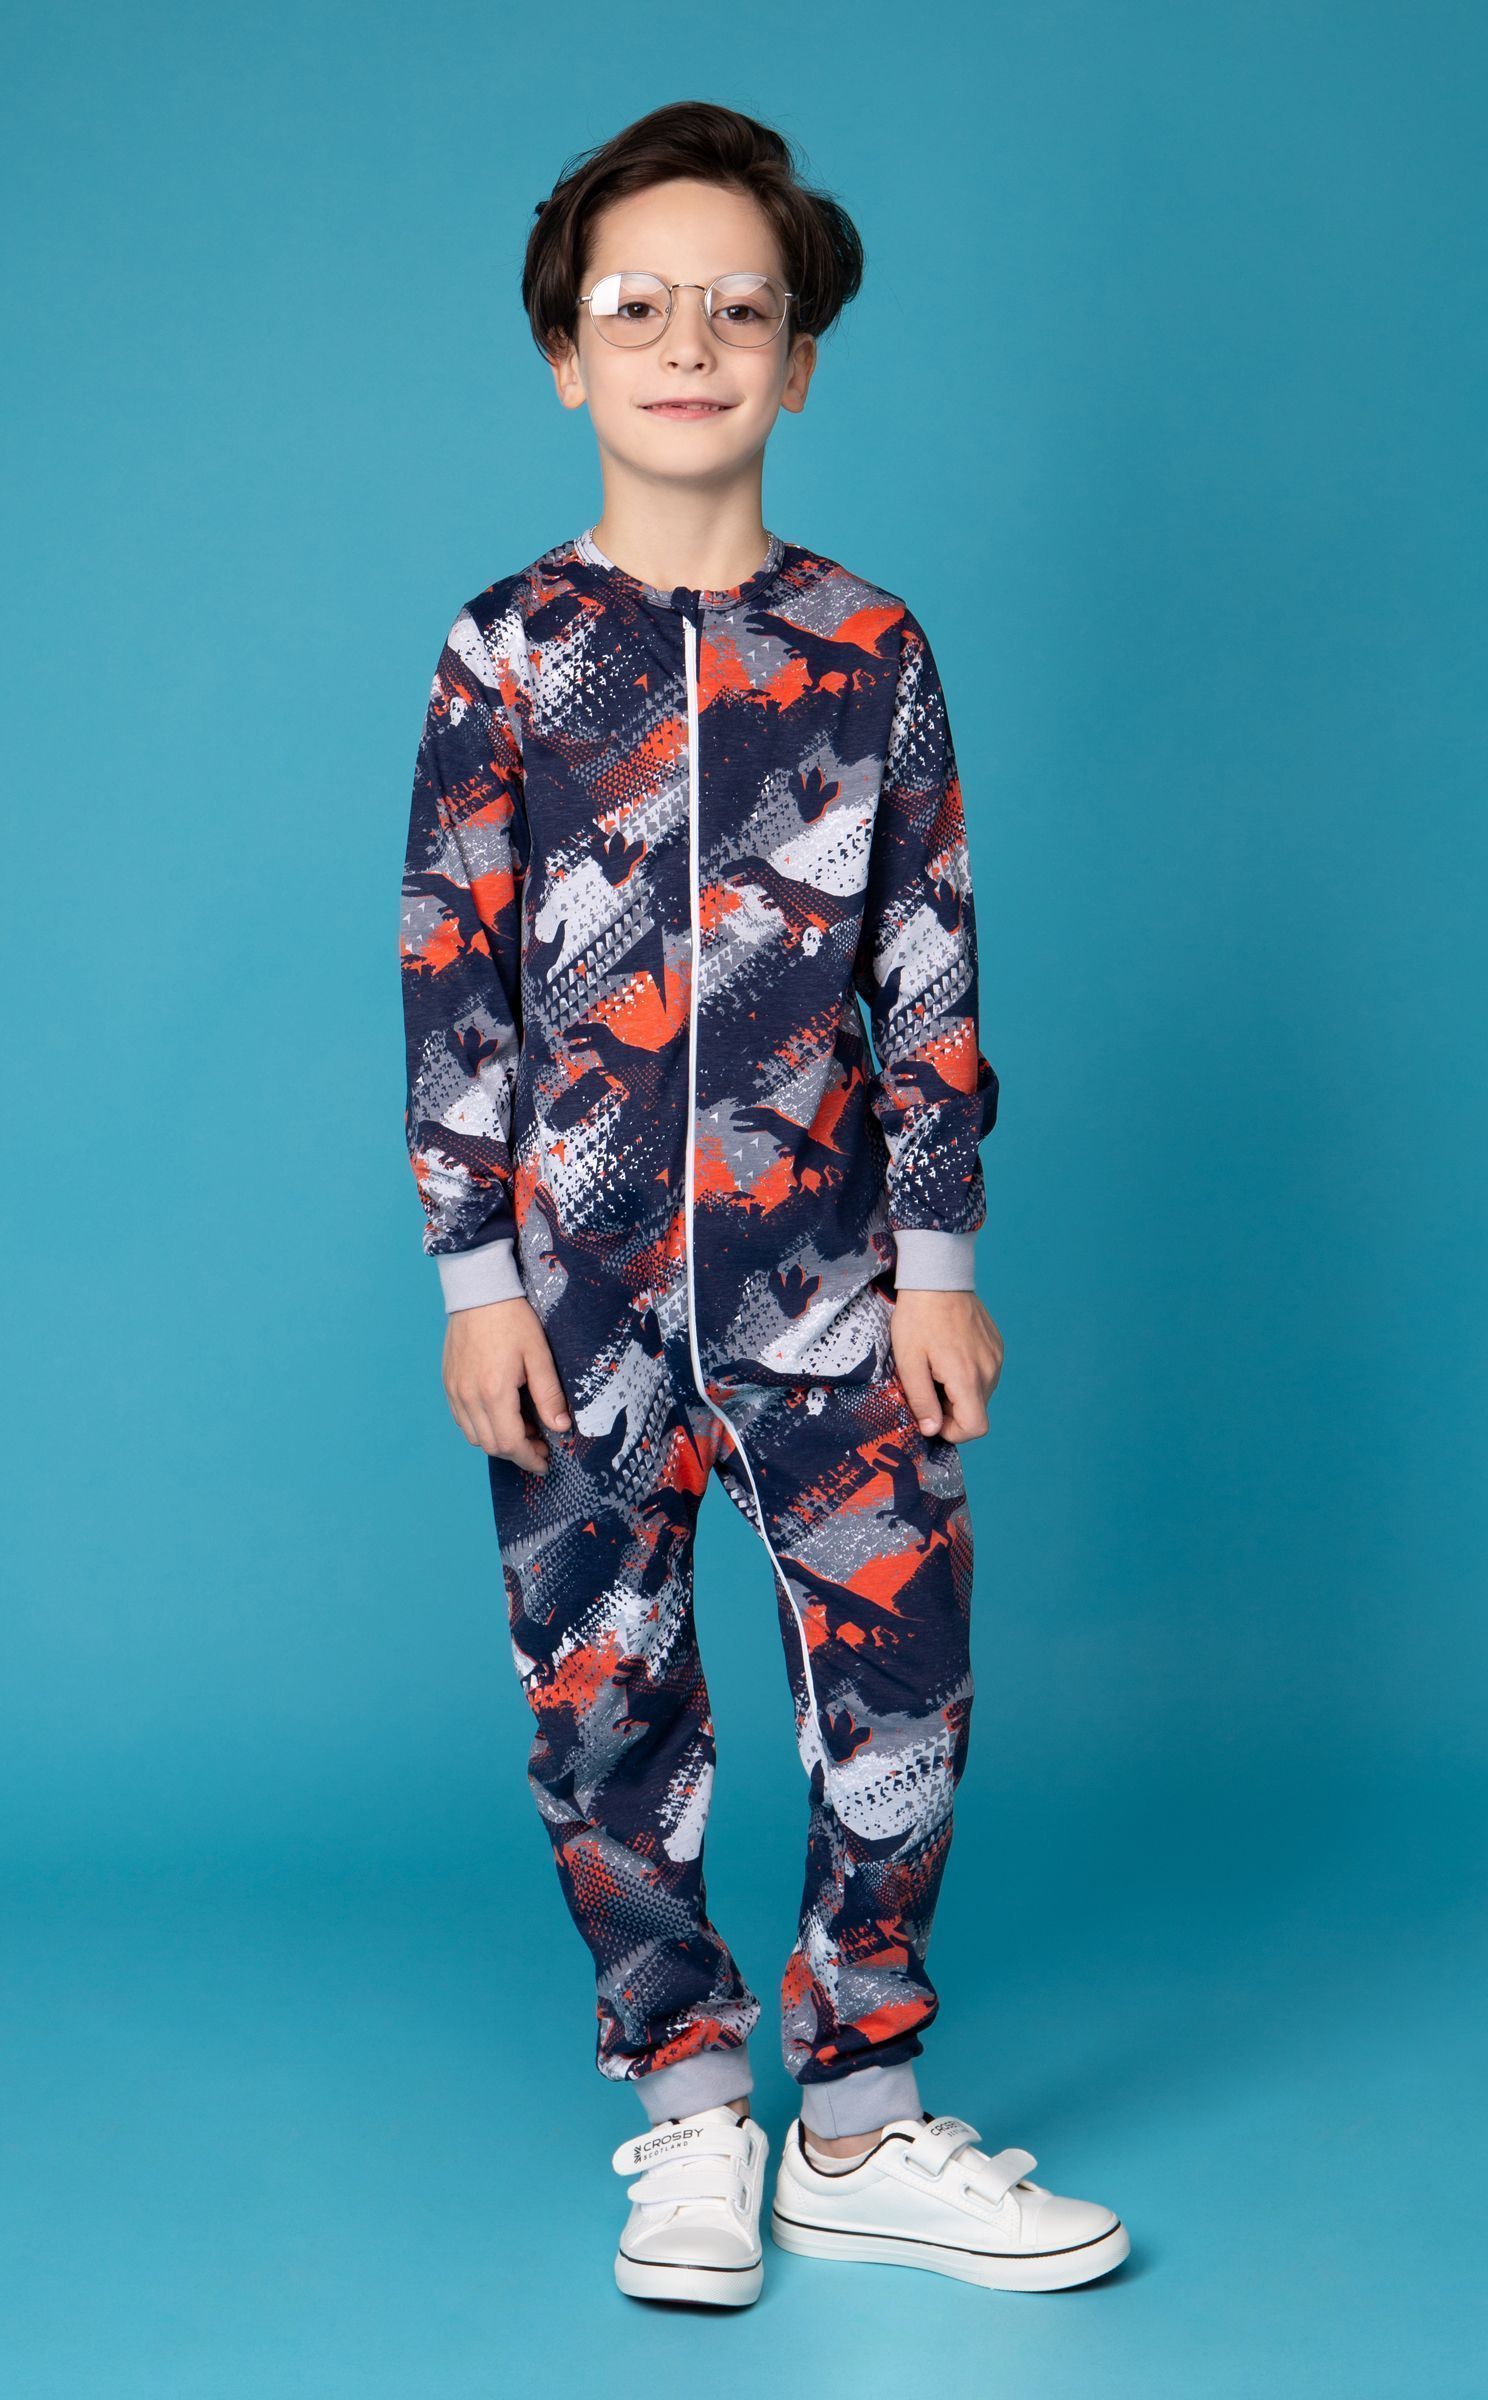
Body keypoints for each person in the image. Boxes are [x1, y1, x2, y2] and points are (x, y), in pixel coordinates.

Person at [398, 99, 1128, 2305]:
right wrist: (474, 1276)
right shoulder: (504, 651)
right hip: (578, 1299)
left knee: (902, 1675)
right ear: (565, 355)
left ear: (799, 361)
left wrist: (940, 1260)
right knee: (600, 1695)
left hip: (833, 1286)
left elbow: (929, 962)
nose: (689, 344)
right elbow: (453, 969)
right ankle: (690, 2113)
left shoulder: (869, 649)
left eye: (740, 309)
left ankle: (863, 2124)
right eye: (639, 308)